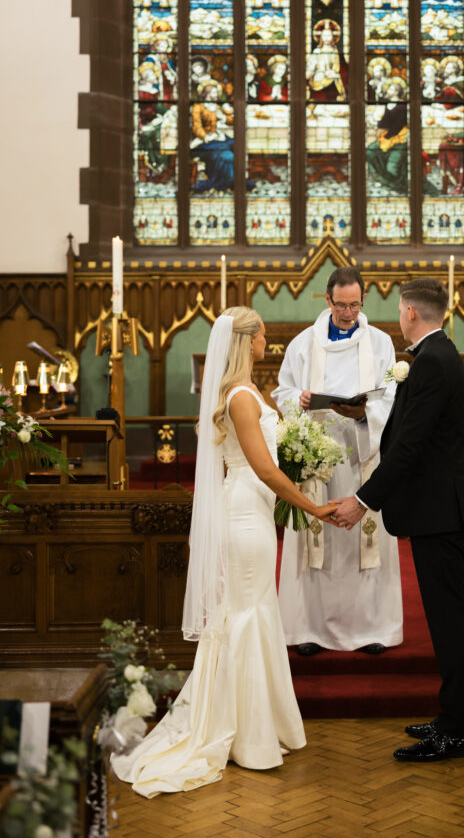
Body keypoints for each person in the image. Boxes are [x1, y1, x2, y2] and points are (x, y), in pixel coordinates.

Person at [111, 308, 336, 797]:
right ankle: (248, 737)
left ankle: (264, 726)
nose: (266, 342)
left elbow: (271, 464)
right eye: (262, 336)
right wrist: (313, 509)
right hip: (244, 516)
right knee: (246, 614)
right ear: (250, 340)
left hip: (252, 510)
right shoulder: (239, 396)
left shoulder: (246, 391)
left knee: (254, 612)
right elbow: (264, 469)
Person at [332, 278, 464, 763]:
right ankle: (456, 716)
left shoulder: (434, 361)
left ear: (412, 313)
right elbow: (409, 431)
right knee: (445, 617)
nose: (398, 317)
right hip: (435, 508)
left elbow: (412, 446)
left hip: (438, 510)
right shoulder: (436, 356)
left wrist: (363, 500)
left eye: (399, 310)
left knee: (448, 619)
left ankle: (457, 730)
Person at [272, 267, 403, 656]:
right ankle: (310, 628)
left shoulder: (380, 344)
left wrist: (363, 413)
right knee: (320, 538)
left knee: (366, 538)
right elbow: (283, 391)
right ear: (327, 300)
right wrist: (301, 400)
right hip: (316, 457)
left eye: (355, 305)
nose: (348, 313)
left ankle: (372, 627)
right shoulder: (302, 344)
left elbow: (393, 398)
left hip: (364, 451)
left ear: (363, 301)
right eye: (341, 305)